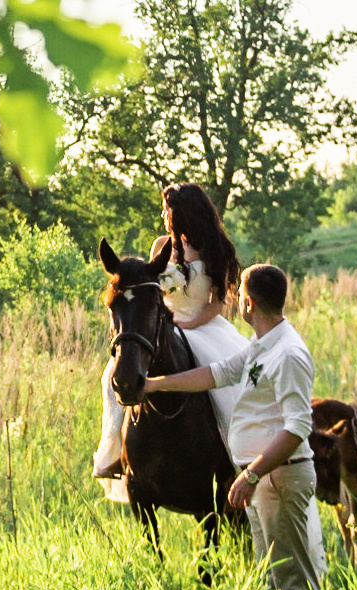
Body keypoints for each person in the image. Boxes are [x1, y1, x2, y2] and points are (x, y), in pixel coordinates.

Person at [141, 260, 325, 590]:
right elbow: (218, 373)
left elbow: (297, 427)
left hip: (280, 478)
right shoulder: (263, 344)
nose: (236, 300)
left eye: (239, 294)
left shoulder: (288, 353)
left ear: (250, 303)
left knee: (292, 581)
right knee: (272, 577)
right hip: (265, 480)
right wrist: (157, 384)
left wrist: (251, 475)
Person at [93, 183, 245, 479]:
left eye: (168, 210)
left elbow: (218, 304)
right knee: (112, 374)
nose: (164, 215)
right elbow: (152, 293)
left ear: (185, 213)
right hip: (162, 324)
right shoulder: (161, 245)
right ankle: (115, 454)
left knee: (226, 384)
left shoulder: (215, 249)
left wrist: (189, 324)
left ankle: (234, 453)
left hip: (202, 325)